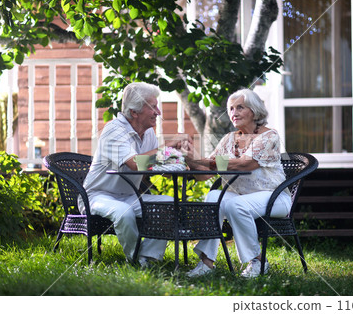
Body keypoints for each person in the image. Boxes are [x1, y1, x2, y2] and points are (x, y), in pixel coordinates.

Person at [182, 88, 292, 278]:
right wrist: (191, 160)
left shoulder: (269, 136)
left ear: (255, 111)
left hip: (275, 197)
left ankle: (258, 261)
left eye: (240, 107)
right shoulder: (228, 139)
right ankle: (206, 263)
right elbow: (206, 175)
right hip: (242, 197)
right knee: (214, 196)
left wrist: (200, 161)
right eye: (231, 109)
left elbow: (245, 164)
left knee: (236, 204)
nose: (233, 113)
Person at [79, 82, 181, 268]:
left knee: (167, 203)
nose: (158, 112)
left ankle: (148, 259)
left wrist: (179, 162)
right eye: (152, 107)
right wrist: (168, 147)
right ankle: (134, 261)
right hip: (97, 196)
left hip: (129, 196)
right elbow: (135, 163)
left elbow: (153, 163)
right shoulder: (114, 130)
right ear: (134, 112)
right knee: (122, 212)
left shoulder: (148, 132)